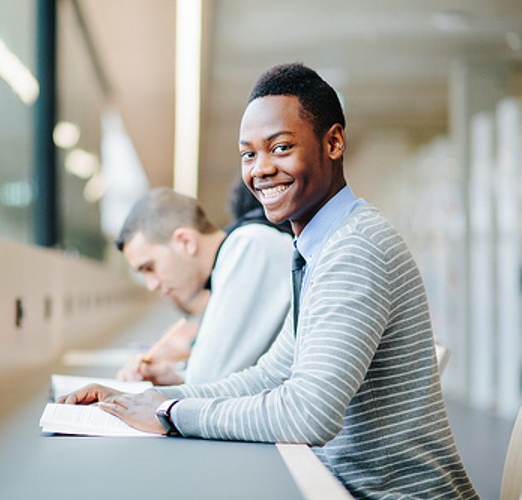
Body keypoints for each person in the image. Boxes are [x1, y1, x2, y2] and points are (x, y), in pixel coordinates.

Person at [59, 63, 479, 498]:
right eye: (248, 154)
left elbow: (307, 414)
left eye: (280, 148)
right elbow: (270, 374)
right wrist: (151, 401)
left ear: (333, 142)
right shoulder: (316, 251)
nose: (260, 169)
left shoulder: (355, 248)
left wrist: (171, 411)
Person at [113, 187, 292, 385]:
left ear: (185, 241)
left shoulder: (250, 246)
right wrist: (174, 378)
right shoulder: (229, 259)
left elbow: (206, 379)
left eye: (150, 267)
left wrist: (187, 379)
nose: (151, 285)